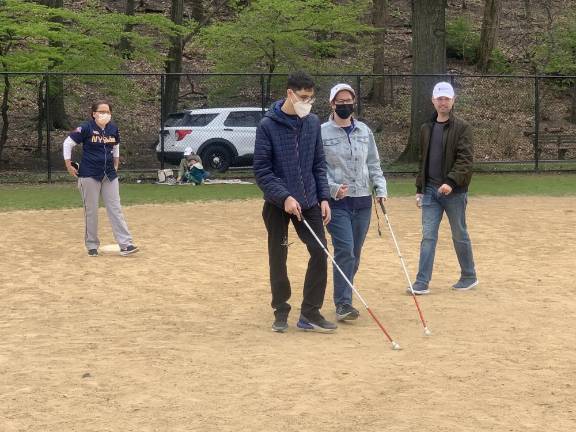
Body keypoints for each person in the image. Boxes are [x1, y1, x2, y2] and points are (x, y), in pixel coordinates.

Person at [253, 71, 337, 334]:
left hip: (310, 201)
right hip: (278, 205)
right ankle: (281, 309)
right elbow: (262, 170)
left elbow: (318, 164)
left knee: (320, 251)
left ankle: (310, 312)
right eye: (303, 97)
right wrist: (284, 196)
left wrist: (323, 197)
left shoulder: (312, 123)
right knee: (279, 254)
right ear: (290, 94)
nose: (307, 102)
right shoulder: (267, 125)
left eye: (311, 98)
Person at [321, 83, 388, 321]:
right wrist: (332, 189)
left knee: (355, 254)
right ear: (332, 104)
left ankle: (345, 293)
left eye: (349, 100)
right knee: (345, 250)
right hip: (337, 203)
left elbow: (373, 164)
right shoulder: (322, 132)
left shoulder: (364, 131)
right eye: (340, 101)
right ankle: (343, 304)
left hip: (362, 202)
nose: (345, 105)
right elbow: (317, 168)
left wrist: (380, 188)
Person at [412, 82, 477, 294]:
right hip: (430, 191)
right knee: (428, 236)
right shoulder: (426, 128)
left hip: (454, 192)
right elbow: (423, 160)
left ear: (453, 101)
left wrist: (450, 182)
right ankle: (422, 282)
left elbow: (465, 160)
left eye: (446, 99)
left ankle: (469, 276)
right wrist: (420, 188)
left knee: (459, 234)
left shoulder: (463, 127)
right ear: (433, 101)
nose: (443, 102)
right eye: (439, 99)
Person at [63, 100, 139, 257]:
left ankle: (126, 244)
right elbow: (68, 143)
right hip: (89, 174)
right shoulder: (86, 127)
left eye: (108, 112)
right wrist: (68, 164)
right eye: (101, 111)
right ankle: (92, 245)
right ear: (94, 114)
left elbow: (116, 145)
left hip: (109, 174)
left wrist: (116, 162)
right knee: (91, 210)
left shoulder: (113, 128)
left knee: (115, 208)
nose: (105, 114)